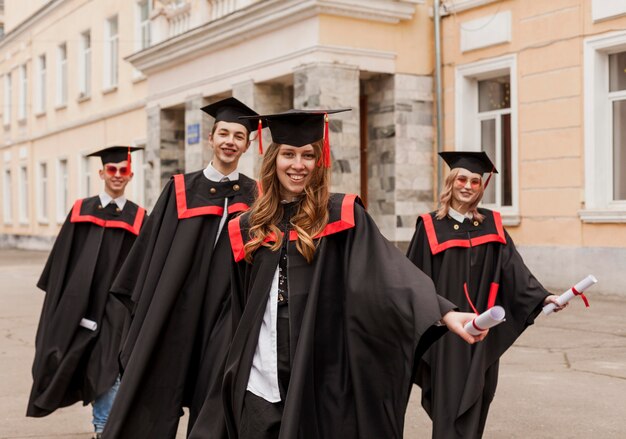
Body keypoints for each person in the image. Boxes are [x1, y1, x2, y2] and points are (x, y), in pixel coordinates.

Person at [223, 109, 486, 439]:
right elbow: (240, 307)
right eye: (289, 154)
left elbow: (387, 273)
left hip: (320, 366)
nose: (298, 165)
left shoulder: (341, 214)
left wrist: (443, 312)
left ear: (320, 160)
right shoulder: (249, 226)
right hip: (261, 373)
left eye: (308, 155)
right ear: (274, 158)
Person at [101, 97, 265, 439]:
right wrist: (142, 307)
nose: (229, 141)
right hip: (176, 308)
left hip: (224, 312)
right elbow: (151, 252)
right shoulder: (180, 188)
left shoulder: (256, 194)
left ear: (248, 145)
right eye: (223, 133)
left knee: (215, 393)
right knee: (159, 384)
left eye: (238, 136)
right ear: (211, 138)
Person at [406, 151, 566, 439]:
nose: (467, 186)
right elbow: (414, 278)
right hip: (447, 330)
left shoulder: (492, 224)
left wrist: (543, 297)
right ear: (451, 183)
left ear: (482, 187)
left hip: (484, 327)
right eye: (462, 179)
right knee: (449, 398)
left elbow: (513, 267)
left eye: (475, 182)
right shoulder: (429, 226)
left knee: (480, 392)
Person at [27, 146, 146, 439]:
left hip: (115, 309)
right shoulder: (82, 210)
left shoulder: (139, 217)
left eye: (123, 170)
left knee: (109, 368)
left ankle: (103, 429)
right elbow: (61, 263)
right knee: (72, 362)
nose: (117, 175)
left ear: (130, 175)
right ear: (101, 173)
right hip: (77, 306)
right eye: (112, 170)